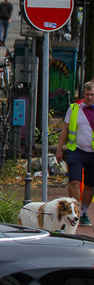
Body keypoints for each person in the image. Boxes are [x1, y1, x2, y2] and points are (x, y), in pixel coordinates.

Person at [55, 81, 94, 227]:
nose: (90, 97)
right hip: (76, 150)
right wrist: (59, 148)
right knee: (74, 181)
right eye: (87, 94)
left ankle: (83, 212)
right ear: (83, 94)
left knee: (90, 184)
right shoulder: (74, 108)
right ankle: (75, 211)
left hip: (93, 153)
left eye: (93, 95)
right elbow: (65, 129)